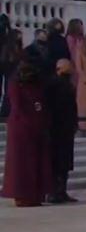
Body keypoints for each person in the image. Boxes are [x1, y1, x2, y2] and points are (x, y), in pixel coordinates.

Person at [1, 61, 53, 206]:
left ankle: (36, 194)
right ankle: (23, 195)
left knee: (35, 163)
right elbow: (17, 107)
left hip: (35, 127)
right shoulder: (16, 85)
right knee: (22, 165)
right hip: (22, 129)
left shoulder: (35, 85)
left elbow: (39, 103)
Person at [45, 59, 78, 203]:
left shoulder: (68, 85)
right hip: (55, 130)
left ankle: (62, 191)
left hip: (67, 129)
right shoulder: (52, 85)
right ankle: (53, 192)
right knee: (56, 163)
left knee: (64, 164)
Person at [0, 28, 23, 117]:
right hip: (10, 73)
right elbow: (4, 61)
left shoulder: (19, 48)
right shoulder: (8, 48)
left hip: (17, 73)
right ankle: (5, 112)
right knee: (8, 92)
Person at [65, 19, 85, 87]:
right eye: (80, 25)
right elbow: (73, 53)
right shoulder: (70, 38)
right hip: (75, 65)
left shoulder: (82, 38)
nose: (82, 27)